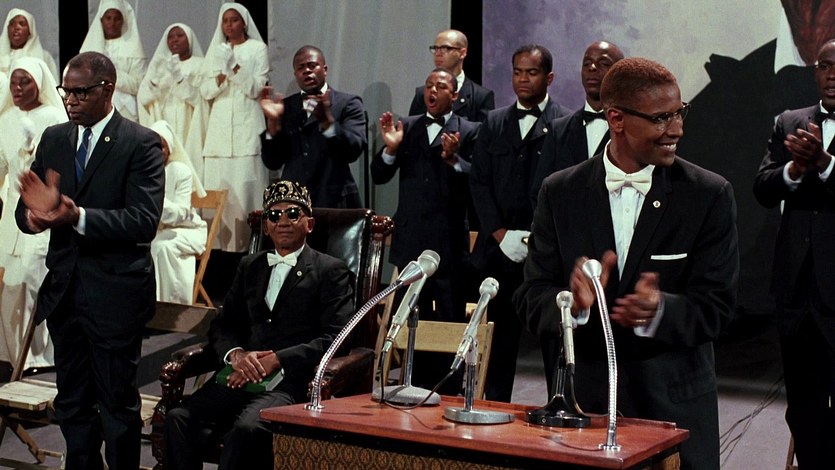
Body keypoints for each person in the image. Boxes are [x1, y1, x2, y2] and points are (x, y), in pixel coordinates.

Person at [514, 58, 739, 470]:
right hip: (585, 414)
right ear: (616, 119)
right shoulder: (560, 193)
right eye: (661, 118)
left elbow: (718, 307)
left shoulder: (708, 195)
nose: (677, 129)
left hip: (674, 420)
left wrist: (660, 310)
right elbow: (530, 296)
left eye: (680, 113)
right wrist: (571, 305)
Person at [14, 51, 164, 470]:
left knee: (116, 406)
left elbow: (143, 221)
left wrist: (76, 216)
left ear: (107, 89)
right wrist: (34, 217)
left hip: (115, 295)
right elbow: (26, 210)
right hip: (65, 296)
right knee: (73, 405)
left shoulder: (140, 142)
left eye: (80, 92)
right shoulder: (54, 139)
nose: (71, 100)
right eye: (66, 91)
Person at [164, 180, 354, 470]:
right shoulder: (249, 266)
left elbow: (338, 338)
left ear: (310, 224)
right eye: (274, 216)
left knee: (247, 429)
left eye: (293, 214)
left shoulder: (330, 271)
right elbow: (223, 326)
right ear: (266, 227)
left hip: (290, 381)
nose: (283, 222)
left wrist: (277, 359)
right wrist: (237, 355)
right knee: (178, 418)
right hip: (240, 375)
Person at [469, 44, 570, 402]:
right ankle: (494, 409)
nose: (523, 79)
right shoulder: (494, 122)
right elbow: (479, 182)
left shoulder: (564, 123)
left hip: (546, 252)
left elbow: (568, 188)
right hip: (499, 251)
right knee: (499, 342)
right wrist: (500, 234)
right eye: (517, 72)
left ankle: (559, 406)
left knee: (554, 339)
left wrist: (538, 238)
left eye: (532, 72)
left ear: (549, 77)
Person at [753, 39, 835, 469]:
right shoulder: (789, 122)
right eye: (825, 65)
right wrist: (794, 169)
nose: (833, 75)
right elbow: (762, 189)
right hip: (796, 291)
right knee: (803, 406)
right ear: (815, 71)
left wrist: (824, 163)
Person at [371, 68, 480, 325]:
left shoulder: (469, 130)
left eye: (440, 87)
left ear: (454, 95)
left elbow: (478, 179)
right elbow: (379, 175)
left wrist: (454, 159)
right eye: (429, 86)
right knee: (407, 318)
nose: (432, 91)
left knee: (449, 317)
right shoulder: (407, 126)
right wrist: (390, 149)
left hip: (449, 242)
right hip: (411, 239)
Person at [0, 57, 65, 370]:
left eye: (24, 81)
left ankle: (37, 355)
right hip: (10, 216)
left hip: (40, 212)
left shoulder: (53, 117)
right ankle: (12, 355)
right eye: (13, 82)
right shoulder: (5, 119)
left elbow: (59, 167)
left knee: (31, 279)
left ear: (38, 84)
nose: (17, 87)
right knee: (9, 285)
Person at [260, 45, 366, 209]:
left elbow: (353, 150)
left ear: (325, 69)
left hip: (335, 203)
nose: (307, 71)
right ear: (295, 74)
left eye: (312, 65)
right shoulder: (284, 107)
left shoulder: (348, 103)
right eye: (301, 68)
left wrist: (327, 122)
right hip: (294, 204)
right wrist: (272, 125)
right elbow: (272, 163)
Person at [200, 3, 269, 252]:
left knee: (246, 192)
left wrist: (235, 68)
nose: (229, 25)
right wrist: (221, 75)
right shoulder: (216, 51)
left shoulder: (257, 48)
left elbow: (257, 88)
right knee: (221, 192)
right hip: (219, 133)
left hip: (246, 129)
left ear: (244, 23)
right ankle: (218, 252)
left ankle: (250, 248)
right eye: (225, 20)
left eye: (234, 20)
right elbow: (205, 91)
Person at [530, 40, 624, 208]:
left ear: (620, 73)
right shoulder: (558, 130)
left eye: (603, 63)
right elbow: (540, 192)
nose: (592, 68)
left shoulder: (631, 130)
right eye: (587, 63)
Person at [138, 23, 208, 178]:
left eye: (180, 36)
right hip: (166, 121)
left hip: (189, 124)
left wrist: (179, 79)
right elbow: (144, 99)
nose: (174, 40)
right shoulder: (160, 65)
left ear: (189, 39)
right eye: (170, 37)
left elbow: (200, 100)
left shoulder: (200, 65)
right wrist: (155, 80)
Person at [149, 120, 207, 305]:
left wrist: (154, 201)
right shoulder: (143, 171)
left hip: (187, 230)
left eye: (161, 146)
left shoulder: (180, 171)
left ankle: (170, 307)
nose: (157, 151)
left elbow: (181, 213)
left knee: (161, 247)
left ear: (169, 149)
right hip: (157, 230)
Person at [79, 0, 147, 123]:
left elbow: (139, 85)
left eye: (117, 19)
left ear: (124, 20)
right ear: (101, 20)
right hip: (95, 110)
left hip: (126, 112)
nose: (112, 23)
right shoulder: (89, 49)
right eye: (108, 18)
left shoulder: (134, 49)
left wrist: (111, 74)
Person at [408, 29, 495, 123]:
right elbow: (412, 128)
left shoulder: (481, 97)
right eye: (435, 48)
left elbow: (485, 131)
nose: (438, 53)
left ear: (462, 53)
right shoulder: (422, 94)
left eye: (445, 48)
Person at [0, 8, 59, 81]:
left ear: (30, 31)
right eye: (12, 24)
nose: (16, 28)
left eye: (22, 24)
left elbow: (52, 85)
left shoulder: (45, 57)